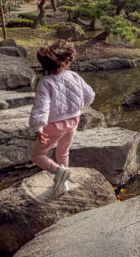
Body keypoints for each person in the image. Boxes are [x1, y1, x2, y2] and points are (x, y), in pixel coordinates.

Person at [29, 41, 95, 195]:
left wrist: (38, 127)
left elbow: (42, 106)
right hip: (73, 121)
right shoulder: (73, 76)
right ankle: (63, 184)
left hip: (53, 125)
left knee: (37, 155)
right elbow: (89, 95)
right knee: (63, 151)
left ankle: (59, 171)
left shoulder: (45, 82)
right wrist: (77, 107)